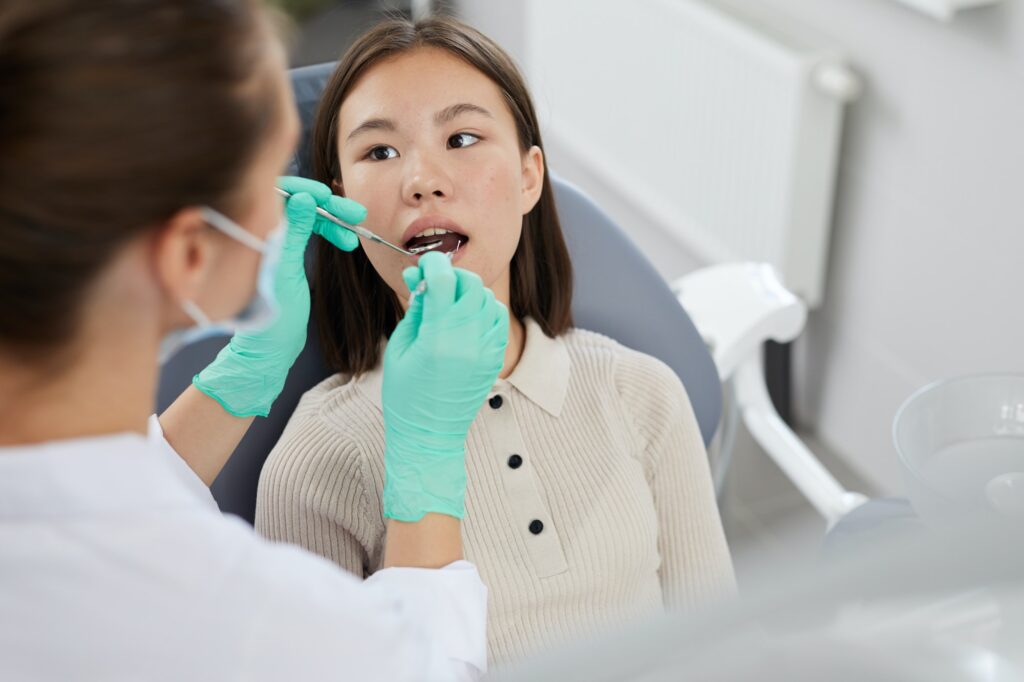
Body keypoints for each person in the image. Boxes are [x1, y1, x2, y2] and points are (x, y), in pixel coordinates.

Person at [0, 2, 507, 680]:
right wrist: (428, 466)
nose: (421, 180)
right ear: (188, 254)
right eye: (265, 178)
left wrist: (237, 379)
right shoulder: (257, 624)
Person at [255, 16, 736, 667]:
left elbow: (723, 649)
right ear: (341, 203)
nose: (421, 179)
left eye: (461, 137)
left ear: (530, 175)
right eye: (379, 152)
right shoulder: (316, 460)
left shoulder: (641, 392)